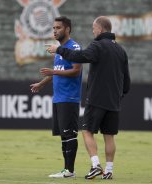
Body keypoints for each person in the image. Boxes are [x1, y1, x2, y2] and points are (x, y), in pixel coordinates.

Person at [45, 16, 130, 180]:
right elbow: (127, 81)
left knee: (87, 131)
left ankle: (96, 165)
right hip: (114, 101)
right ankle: (109, 170)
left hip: (97, 98)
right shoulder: (121, 50)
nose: (93, 31)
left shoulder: (97, 45)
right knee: (109, 136)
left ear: (100, 29)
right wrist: (120, 95)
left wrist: (59, 49)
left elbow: (81, 57)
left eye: (93, 28)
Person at [30, 16, 82, 178]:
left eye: (58, 28)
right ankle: (66, 170)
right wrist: (42, 83)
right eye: (53, 28)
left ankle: (69, 171)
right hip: (58, 98)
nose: (54, 30)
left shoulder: (74, 47)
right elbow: (58, 70)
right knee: (63, 135)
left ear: (67, 29)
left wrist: (53, 72)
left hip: (70, 97)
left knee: (70, 133)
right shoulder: (59, 49)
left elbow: (76, 70)